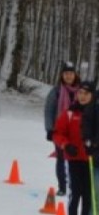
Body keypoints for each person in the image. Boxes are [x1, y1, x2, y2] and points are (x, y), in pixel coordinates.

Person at [52, 81, 93, 215]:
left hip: (91, 161)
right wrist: (65, 144)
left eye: (86, 93)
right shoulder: (69, 113)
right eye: (80, 93)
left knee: (89, 197)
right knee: (74, 196)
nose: (82, 96)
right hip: (74, 161)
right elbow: (58, 133)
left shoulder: (94, 114)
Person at [44, 61, 80, 196]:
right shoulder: (56, 91)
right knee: (60, 158)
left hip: (76, 131)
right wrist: (49, 129)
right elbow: (49, 110)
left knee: (76, 159)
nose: (69, 76)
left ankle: (75, 185)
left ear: (75, 75)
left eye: (71, 73)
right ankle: (62, 187)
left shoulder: (81, 90)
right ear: (62, 75)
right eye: (66, 74)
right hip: (59, 131)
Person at [81, 82, 99, 215]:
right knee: (97, 205)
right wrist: (89, 142)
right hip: (98, 161)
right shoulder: (94, 106)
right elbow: (85, 126)